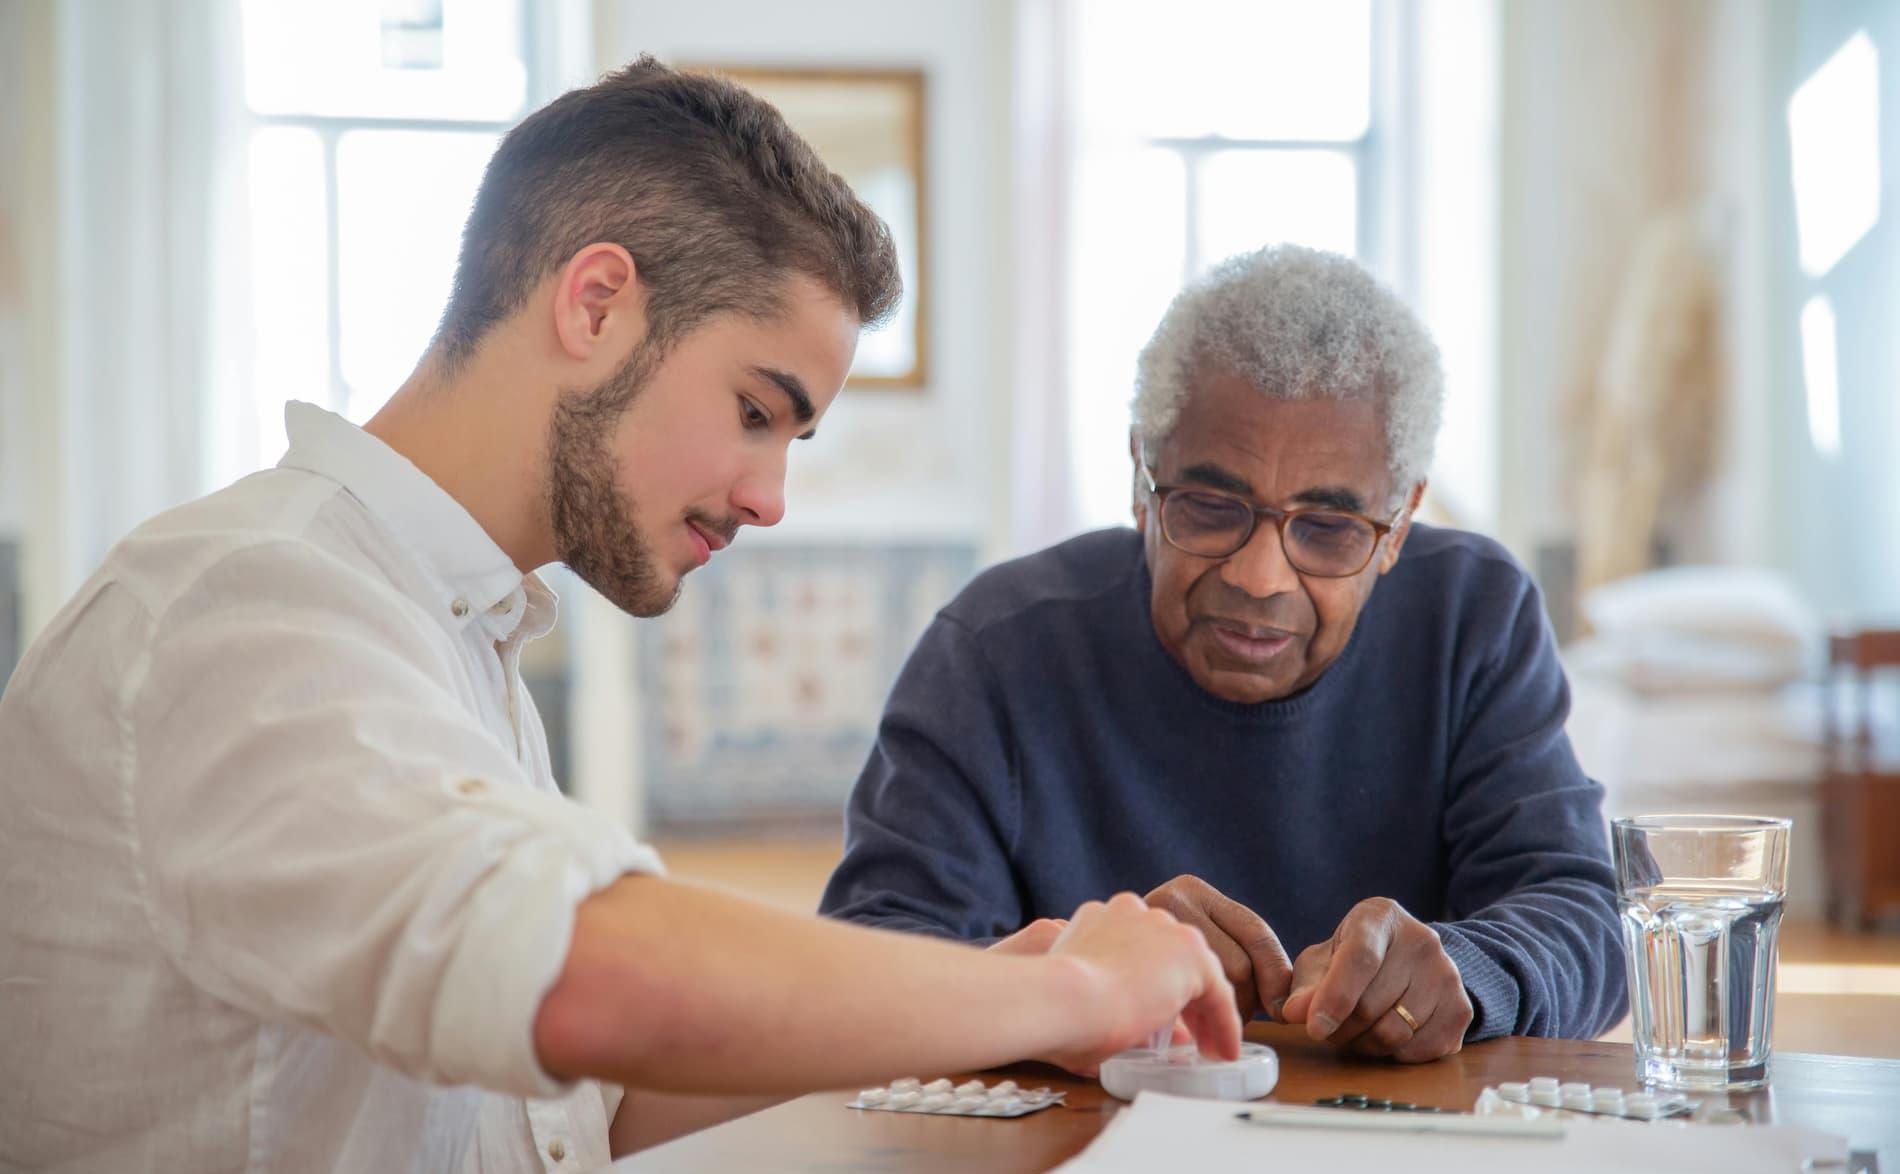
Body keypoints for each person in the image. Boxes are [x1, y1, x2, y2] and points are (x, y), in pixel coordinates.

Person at [0, 58, 1240, 1172]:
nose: (770, 498)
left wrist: (976, 987)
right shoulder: (244, 601)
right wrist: (1064, 995)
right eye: (758, 410)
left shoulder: (449, 627)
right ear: (595, 304)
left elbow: (572, 1107)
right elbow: (581, 976)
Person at [821, 245, 1628, 1065]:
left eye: (1329, 528)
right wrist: (1081, 974)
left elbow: (1586, 917)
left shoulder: (1473, 618)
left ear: (1400, 522)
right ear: (1141, 479)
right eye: (1210, 507)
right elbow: (872, 968)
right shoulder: (997, 649)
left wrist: (1472, 966)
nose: (1258, 576)